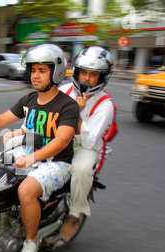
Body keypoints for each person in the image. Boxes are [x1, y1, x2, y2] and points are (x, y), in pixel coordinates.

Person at [0, 44, 79, 252]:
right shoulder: (29, 100)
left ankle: (30, 242)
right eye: (33, 70)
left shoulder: (68, 106)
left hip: (56, 162)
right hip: (27, 153)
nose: (35, 75)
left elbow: (61, 141)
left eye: (42, 70)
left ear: (55, 72)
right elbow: (0, 120)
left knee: (26, 190)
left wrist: (33, 157)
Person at [58, 46, 115, 240]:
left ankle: (75, 214)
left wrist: (78, 115)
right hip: (59, 137)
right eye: (83, 72)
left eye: (93, 74)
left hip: (85, 146)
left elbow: (89, 140)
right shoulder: (65, 89)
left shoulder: (105, 105)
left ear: (102, 77)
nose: (86, 79)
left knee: (81, 169)